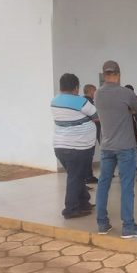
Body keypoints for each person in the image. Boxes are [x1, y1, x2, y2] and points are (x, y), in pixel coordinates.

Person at [94, 60, 137, 238]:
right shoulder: (125, 93)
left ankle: (102, 223)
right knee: (126, 186)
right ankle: (128, 226)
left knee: (103, 184)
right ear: (118, 74)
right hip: (125, 147)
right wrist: (129, 110)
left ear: (104, 75)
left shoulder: (97, 94)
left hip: (106, 147)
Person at [51, 73, 98, 219]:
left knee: (76, 175)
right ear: (76, 87)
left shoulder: (54, 100)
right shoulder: (80, 101)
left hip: (60, 146)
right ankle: (71, 209)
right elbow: (97, 116)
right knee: (75, 176)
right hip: (78, 146)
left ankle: (84, 203)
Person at [83, 84, 100, 184]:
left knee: (89, 155)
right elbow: (94, 117)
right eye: (95, 90)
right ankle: (88, 177)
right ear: (90, 91)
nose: (96, 92)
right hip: (88, 133)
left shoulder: (86, 101)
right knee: (88, 155)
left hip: (88, 133)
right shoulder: (87, 102)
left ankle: (89, 175)